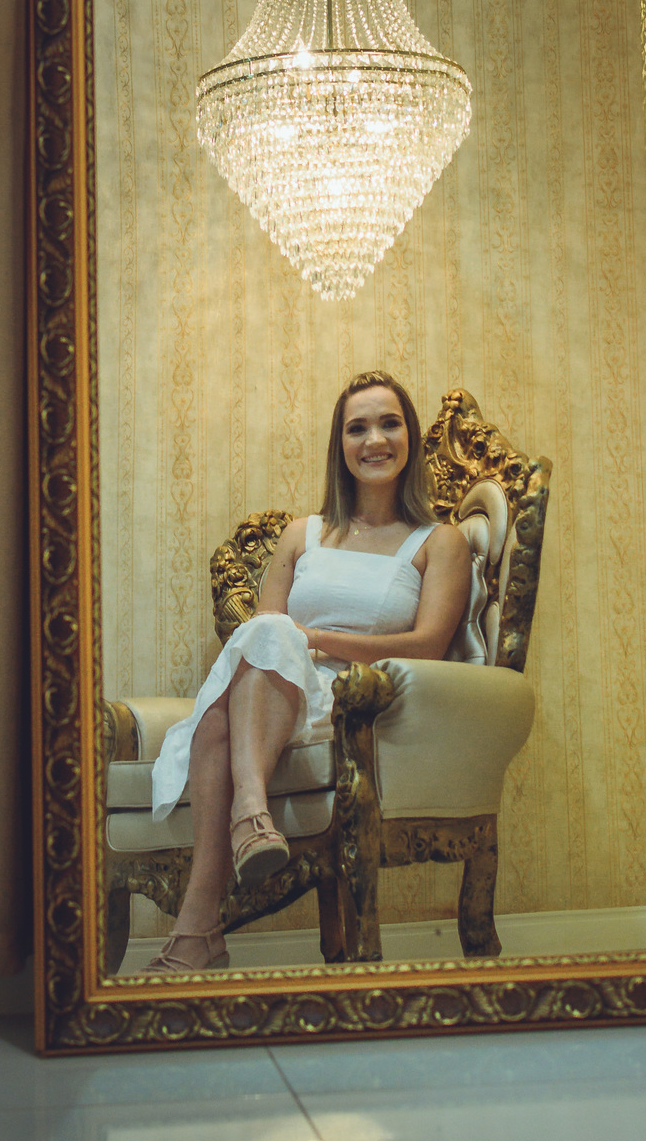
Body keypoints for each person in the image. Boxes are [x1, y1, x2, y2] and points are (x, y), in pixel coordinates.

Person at [143, 369, 474, 973]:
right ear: (339, 446)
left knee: (218, 719)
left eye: (389, 424)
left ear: (410, 436)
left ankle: (202, 925)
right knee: (256, 652)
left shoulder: (438, 541)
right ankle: (239, 843)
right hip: (277, 691)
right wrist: (293, 641)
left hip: (358, 704)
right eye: (357, 428)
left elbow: (428, 645)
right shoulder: (304, 534)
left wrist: (316, 638)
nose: (374, 440)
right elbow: (262, 633)